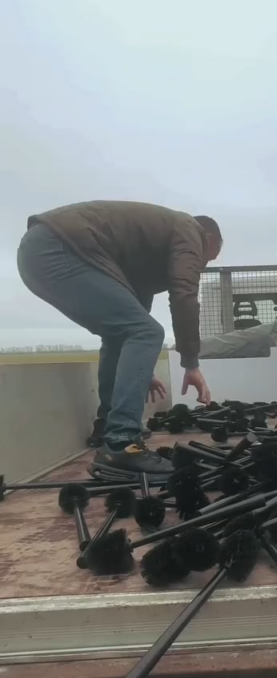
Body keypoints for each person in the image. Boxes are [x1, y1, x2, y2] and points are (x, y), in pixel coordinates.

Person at [17, 201, 222, 476]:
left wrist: (143, 370)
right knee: (149, 331)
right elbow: (184, 295)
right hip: (60, 247)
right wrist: (190, 362)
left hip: (42, 250)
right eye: (208, 258)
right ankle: (122, 442)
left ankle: (107, 428)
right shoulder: (190, 230)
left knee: (122, 334)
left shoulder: (150, 249)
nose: (202, 264)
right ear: (207, 238)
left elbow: (135, 313)